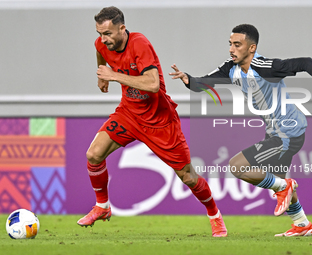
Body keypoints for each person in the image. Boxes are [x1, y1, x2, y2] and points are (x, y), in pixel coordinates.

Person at [169, 24, 312, 237]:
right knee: (279, 184)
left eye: (237, 45)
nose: (231, 49)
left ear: (251, 48)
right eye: (230, 44)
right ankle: (302, 224)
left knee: (237, 166)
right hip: (276, 132)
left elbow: (306, 62)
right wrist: (188, 79)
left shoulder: (266, 67)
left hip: (288, 132)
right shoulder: (231, 69)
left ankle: (285, 189)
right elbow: (203, 83)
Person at [77, 6, 227, 237]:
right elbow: (101, 56)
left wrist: (113, 76)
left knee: (187, 176)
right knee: (93, 154)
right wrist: (102, 77)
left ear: (122, 28)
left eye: (107, 34)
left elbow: (153, 84)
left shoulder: (139, 44)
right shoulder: (101, 45)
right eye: (99, 33)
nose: (103, 39)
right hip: (129, 114)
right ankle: (102, 206)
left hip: (160, 121)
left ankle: (215, 215)